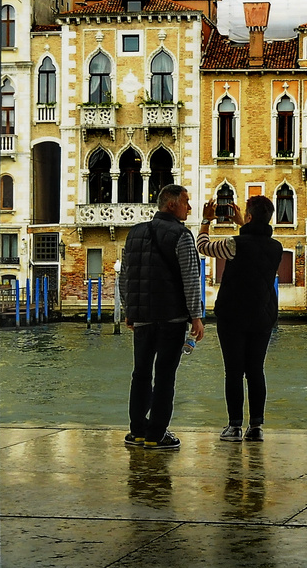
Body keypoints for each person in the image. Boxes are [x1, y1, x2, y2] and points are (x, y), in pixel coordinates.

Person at [118, 184, 204, 450]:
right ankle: (156, 434)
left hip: (142, 317)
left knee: (140, 374)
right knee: (165, 376)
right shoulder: (182, 235)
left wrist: (129, 310)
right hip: (171, 318)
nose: (189, 207)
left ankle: (137, 431)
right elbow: (191, 278)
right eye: (186, 202)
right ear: (171, 204)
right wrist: (197, 317)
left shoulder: (134, 233)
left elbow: (125, 278)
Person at [197, 194, 283, 441]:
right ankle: (256, 428)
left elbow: (202, 246)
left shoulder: (234, 244)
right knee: (256, 371)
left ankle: (234, 426)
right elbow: (254, 239)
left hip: (232, 316)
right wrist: (243, 223)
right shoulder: (276, 248)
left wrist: (206, 220)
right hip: (263, 316)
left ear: (248, 216)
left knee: (233, 372)